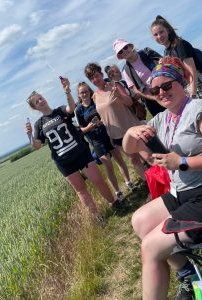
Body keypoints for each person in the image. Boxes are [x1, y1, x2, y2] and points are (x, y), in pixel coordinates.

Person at [122, 56, 202, 300]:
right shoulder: (163, 118)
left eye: (167, 85)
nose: (161, 92)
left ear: (180, 83)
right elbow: (129, 148)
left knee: (150, 248)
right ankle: (187, 273)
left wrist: (182, 162)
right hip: (187, 192)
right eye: (155, 90)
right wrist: (131, 131)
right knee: (140, 221)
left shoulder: (200, 111)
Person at [25, 77, 118, 220]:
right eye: (37, 101)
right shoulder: (39, 124)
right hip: (64, 162)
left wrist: (67, 91)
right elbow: (36, 146)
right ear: (35, 107)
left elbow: (71, 108)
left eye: (41, 98)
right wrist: (30, 135)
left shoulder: (60, 110)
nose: (40, 101)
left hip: (80, 152)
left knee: (97, 180)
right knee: (81, 191)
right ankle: (98, 218)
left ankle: (115, 203)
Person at [84, 62, 146, 184]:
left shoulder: (114, 85)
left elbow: (129, 102)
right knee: (134, 160)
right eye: (91, 78)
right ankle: (151, 184)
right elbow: (105, 114)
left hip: (131, 127)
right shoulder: (95, 96)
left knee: (146, 155)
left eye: (96, 75)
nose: (95, 79)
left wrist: (119, 96)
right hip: (117, 135)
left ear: (101, 74)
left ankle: (167, 180)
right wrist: (101, 123)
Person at [75, 81, 134, 201]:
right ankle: (118, 192)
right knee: (108, 164)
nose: (85, 94)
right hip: (96, 141)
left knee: (119, 159)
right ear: (79, 95)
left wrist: (102, 121)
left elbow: (105, 112)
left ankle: (129, 182)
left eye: (86, 91)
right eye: (82, 92)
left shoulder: (95, 101)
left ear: (89, 91)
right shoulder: (79, 110)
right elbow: (81, 129)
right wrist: (90, 126)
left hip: (108, 134)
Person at [150, 15, 202, 102]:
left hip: (197, 85)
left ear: (168, 31)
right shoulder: (167, 52)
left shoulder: (180, 45)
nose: (159, 36)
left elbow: (192, 72)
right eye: (155, 34)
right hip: (187, 88)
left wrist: (193, 94)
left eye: (161, 32)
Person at [113, 38, 166, 117]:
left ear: (130, 46)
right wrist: (155, 98)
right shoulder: (125, 71)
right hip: (152, 100)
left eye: (125, 47)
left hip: (167, 88)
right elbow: (136, 90)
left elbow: (165, 63)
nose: (124, 51)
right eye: (120, 51)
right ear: (120, 56)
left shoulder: (147, 52)